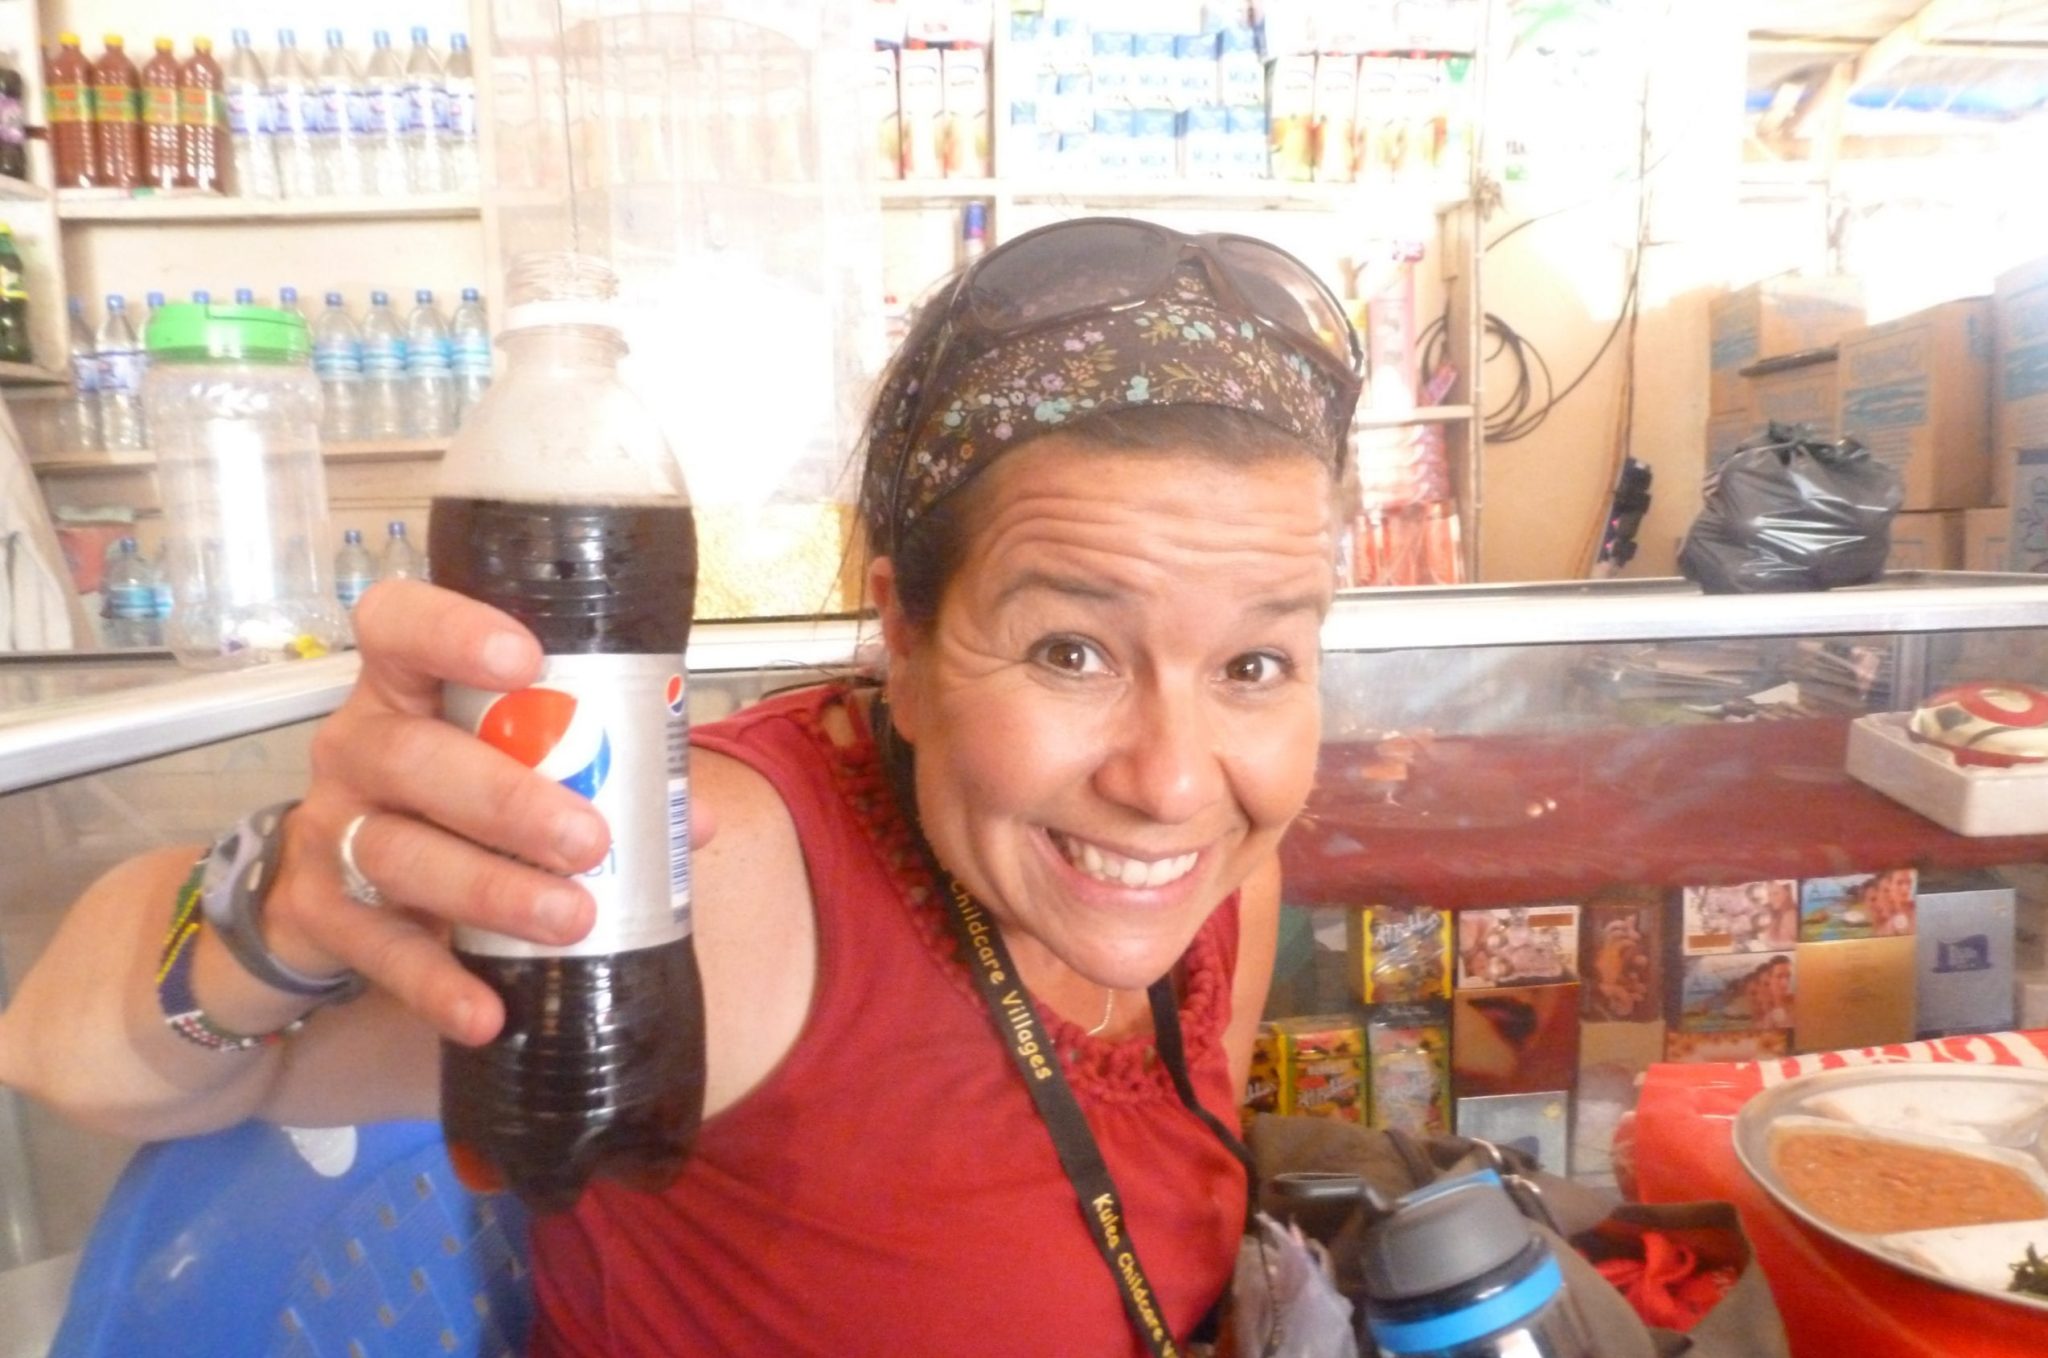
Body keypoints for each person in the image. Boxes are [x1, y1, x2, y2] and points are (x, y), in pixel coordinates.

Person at [0, 216, 1362, 1355]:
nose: (1174, 780)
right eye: (1071, 649)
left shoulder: (1216, 889)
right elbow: (69, 1051)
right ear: (906, 633)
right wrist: (278, 906)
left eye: (1254, 661)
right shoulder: (739, 878)